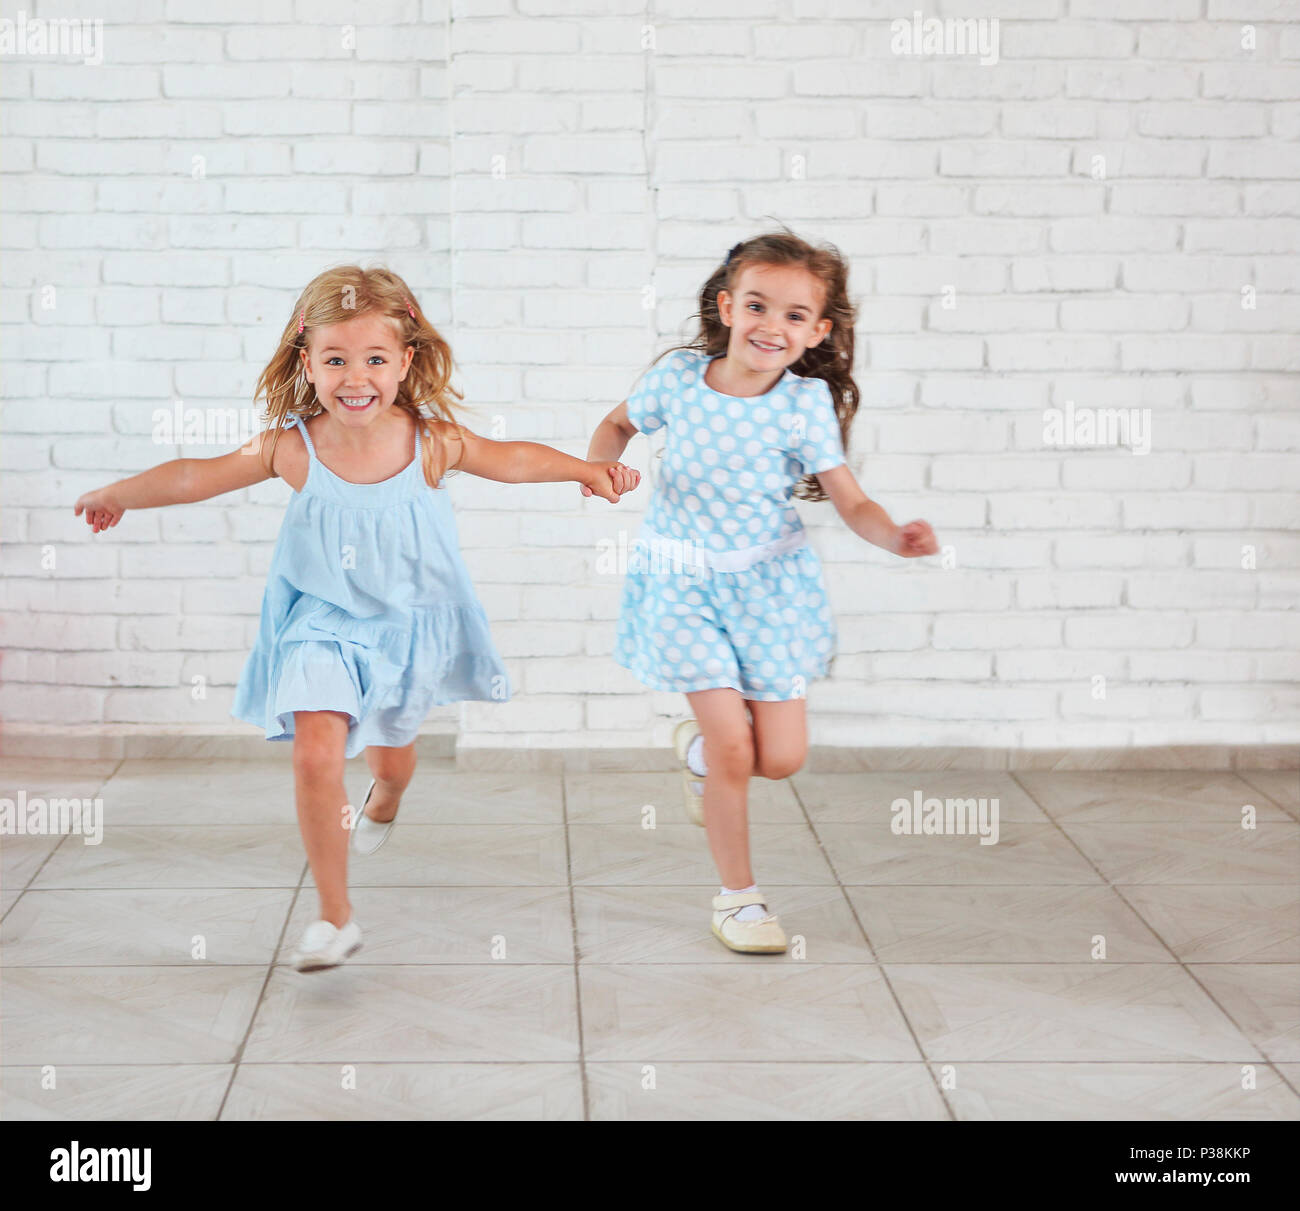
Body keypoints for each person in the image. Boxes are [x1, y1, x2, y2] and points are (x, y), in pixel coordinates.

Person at [75, 264, 640, 972]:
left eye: (374, 359)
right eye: (336, 359)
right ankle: (334, 916)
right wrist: (120, 493)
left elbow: (514, 460)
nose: (355, 377)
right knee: (315, 751)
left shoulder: (431, 440)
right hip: (323, 623)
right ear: (306, 360)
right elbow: (197, 473)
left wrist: (586, 470)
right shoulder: (293, 445)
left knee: (393, 764)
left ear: (404, 362)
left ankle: (386, 798)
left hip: (409, 633)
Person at [584, 230, 938, 954]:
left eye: (795, 315)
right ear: (727, 306)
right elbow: (617, 424)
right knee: (735, 748)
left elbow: (852, 503)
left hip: (768, 588)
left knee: (779, 757)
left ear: (818, 331)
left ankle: (698, 756)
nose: (772, 326)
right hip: (681, 582)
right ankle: (739, 899)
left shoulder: (804, 405)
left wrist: (895, 535)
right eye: (757, 305)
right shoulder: (680, 379)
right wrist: (599, 470)